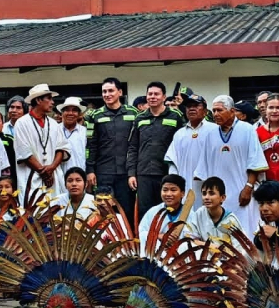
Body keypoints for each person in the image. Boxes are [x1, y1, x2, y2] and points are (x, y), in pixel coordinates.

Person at [193, 96, 266, 236]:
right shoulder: (210, 134)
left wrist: (248, 187)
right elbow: (203, 169)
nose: (215, 114)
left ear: (232, 111)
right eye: (213, 111)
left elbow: (255, 162)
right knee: (220, 234)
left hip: (242, 192)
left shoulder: (248, 130)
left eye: (219, 110)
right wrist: (207, 194)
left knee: (245, 232)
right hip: (219, 197)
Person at [127, 81, 185, 219]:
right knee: (145, 212)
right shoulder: (139, 118)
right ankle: (146, 240)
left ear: (164, 97)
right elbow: (133, 147)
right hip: (144, 173)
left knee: (168, 210)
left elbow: (181, 146)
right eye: (150, 94)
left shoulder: (175, 117)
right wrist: (131, 174)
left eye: (156, 94)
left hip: (166, 173)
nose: (152, 97)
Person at [85, 77, 136, 215]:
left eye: (111, 91)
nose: (107, 94)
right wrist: (90, 170)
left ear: (120, 92)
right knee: (104, 210)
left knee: (127, 210)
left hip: (126, 172)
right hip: (103, 172)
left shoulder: (133, 113)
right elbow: (90, 145)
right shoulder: (94, 116)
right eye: (104, 91)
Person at [13, 84, 70, 200]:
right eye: (49, 98)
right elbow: (24, 152)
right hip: (31, 175)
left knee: (55, 211)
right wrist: (44, 173)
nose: (52, 102)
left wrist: (52, 168)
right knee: (32, 212)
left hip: (53, 176)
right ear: (38, 100)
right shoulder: (22, 123)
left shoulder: (54, 124)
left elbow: (62, 148)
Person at [165, 94, 216, 195]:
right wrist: (174, 181)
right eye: (189, 106)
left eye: (196, 106)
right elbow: (172, 161)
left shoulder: (214, 130)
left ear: (205, 111)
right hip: (185, 185)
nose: (192, 109)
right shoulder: (180, 134)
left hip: (209, 185)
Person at [137, 174, 189, 252]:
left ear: (182, 193)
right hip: (156, 255)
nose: (168, 194)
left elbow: (193, 238)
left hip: (180, 255)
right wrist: (159, 236)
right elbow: (142, 232)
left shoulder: (190, 214)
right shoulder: (153, 212)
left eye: (173, 190)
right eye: (165, 190)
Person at [183, 176, 241, 244]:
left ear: (222, 198)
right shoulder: (199, 214)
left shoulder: (231, 220)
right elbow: (188, 238)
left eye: (211, 193)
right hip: (203, 253)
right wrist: (209, 246)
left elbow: (241, 248)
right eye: (204, 193)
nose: (206, 197)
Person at [255, 93, 279, 183]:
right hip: (266, 181)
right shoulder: (257, 132)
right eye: (271, 108)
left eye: (278, 108)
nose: (274, 111)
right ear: (265, 110)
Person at [57, 97, 87, 177]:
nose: (70, 113)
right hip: (58, 179)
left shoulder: (85, 132)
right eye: (67, 110)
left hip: (80, 179)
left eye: (74, 110)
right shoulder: (54, 130)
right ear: (62, 113)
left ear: (79, 114)